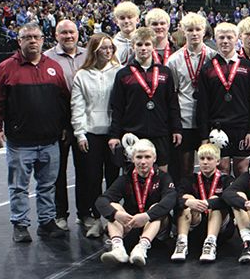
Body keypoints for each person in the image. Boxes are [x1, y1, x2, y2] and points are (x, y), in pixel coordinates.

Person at [0, 22, 70, 242]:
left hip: (50, 140)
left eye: (36, 37)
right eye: (28, 37)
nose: (33, 41)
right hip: (20, 142)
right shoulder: (6, 68)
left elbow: (63, 100)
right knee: (19, 187)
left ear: (43, 40)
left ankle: (47, 222)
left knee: (47, 186)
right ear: (19, 41)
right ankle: (20, 224)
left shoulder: (53, 66)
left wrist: (64, 126)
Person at [108, 27, 182, 173]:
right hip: (133, 132)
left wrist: (176, 128)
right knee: (134, 174)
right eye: (139, 44)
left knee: (161, 173)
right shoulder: (123, 74)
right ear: (133, 46)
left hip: (160, 132)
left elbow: (172, 103)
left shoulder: (165, 72)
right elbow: (117, 107)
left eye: (147, 44)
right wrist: (114, 135)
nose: (143, 48)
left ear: (153, 46)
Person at [71, 33, 122, 238]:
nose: (108, 51)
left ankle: (111, 218)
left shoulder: (119, 71)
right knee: (91, 178)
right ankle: (93, 217)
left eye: (110, 48)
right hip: (91, 133)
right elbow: (77, 106)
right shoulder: (82, 75)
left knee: (113, 177)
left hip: (113, 133)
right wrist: (80, 133)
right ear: (94, 50)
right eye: (103, 48)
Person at [96, 139, 178, 266]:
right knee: (113, 207)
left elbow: (171, 199)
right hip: (131, 225)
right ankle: (118, 248)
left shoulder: (163, 177)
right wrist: (116, 214)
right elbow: (101, 200)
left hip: (155, 229)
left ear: (154, 158)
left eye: (147, 157)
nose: (143, 162)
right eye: (139, 157)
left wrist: (146, 216)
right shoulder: (125, 179)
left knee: (156, 208)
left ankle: (142, 247)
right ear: (133, 159)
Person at [196, 22, 250, 176]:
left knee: (242, 170)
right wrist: (204, 135)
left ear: (237, 39)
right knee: (221, 170)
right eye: (221, 37)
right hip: (217, 128)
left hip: (242, 127)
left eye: (229, 37)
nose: (225, 41)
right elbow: (203, 105)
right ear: (215, 39)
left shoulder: (247, 66)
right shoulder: (207, 68)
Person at [44, 19, 87, 230]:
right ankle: (60, 214)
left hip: (84, 121)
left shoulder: (88, 54)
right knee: (58, 172)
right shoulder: (46, 58)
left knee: (86, 171)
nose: (68, 36)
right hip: (59, 123)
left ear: (78, 33)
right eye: (64, 33)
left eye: (72, 32)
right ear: (56, 35)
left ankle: (85, 213)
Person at [166, 13, 215, 184]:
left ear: (204, 31)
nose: (194, 33)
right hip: (184, 118)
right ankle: (183, 199)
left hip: (208, 118)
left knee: (209, 164)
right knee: (184, 167)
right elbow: (171, 94)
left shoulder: (213, 57)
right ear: (183, 32)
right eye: (190, 30)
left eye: (198, 29)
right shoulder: (174, 60)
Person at [171, 143, 234, 262]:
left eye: (209, 159)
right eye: (202, 158)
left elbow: (231, 200)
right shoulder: (189, 179)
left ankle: (210, 243)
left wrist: (208, 203)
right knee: (187, 198)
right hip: (195, 225)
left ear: (217, 161)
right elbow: (174, 198)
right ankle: (181, 242)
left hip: (220, 229)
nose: (205, 162)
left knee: (216, 200)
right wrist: (188, 202)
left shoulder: (227, 180)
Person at [112, 1, 140, 65]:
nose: (126, 21)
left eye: (130, 17)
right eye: (122, 18)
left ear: (137, 20)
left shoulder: (146, 42)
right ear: (116, 22)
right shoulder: (112, 45)